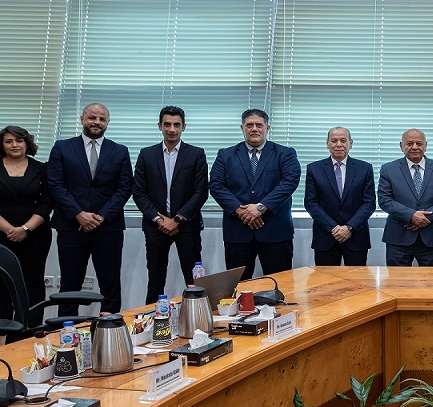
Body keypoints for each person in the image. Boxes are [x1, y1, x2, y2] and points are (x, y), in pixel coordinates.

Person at [47, 103, 133, 315]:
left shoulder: (120, 151)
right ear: (82, 119)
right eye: (92, 117)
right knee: (70, 284)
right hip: (71, 227)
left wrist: (101, 216)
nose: (97, 122)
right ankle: (67, 329)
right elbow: (56, 184)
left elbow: (124, 188)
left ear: (108, 123)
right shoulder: (62, 147)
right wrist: (78, 214)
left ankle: (109, 329)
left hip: (108, 228)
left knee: (110, 284)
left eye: (102, 119)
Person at [0, 126, 54, 327]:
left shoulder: (42, 169)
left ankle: (30, 333)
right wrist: (10, 230)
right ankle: (4, 334)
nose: (14, 145)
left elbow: (47, 203)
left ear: (27, 143)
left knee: (33, 283)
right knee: (1, 285)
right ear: (1, 145)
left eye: (19, 140)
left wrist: (25, 229)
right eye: (8, 141)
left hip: (35, 236)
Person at [209, 109, 301, 280]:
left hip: (275, 231)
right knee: (238, 286)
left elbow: (289, 183)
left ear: (267, 128)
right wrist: (240, 211)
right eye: (249, 125)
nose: (254, 129)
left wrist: (261, 207)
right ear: (242, 128)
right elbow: (216, 185)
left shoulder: (285, 154)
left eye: (259, 125)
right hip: (238, 231)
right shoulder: (226, 155)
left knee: (280, 284)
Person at [132, 106, 209, 304]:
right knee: (155, 281)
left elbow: (201, 192)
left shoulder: (196, 154)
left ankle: (197, 317)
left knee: (194, 281)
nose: (172, 129)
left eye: (176, 125)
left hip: (187, 226)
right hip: (155, 226)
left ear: (184, 127)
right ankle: (151, 318)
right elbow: (138, 192)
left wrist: (177, 219)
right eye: (167, 124)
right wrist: (159, 219)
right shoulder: (146, 154)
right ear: (160, 126)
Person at [377, 128, 433, 266]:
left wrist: (424, 218)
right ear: (401, 146)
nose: (414, 147)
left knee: (432, 278)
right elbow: (384, 200)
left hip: (431, 237)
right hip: (398, 237)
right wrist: (411, 216)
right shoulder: (388, 169)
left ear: (426, 145)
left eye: (419, 143)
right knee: (396, 279)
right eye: (409, 143)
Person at [304, 127, 375, 266]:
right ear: (327, 144)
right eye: (334, 140)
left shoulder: (365, 168)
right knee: (325, 278)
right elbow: (311, 203)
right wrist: (333, 228)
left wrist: (349, 228)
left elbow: (369, 203)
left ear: (350, 143)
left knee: (356, 279)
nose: (338, 144)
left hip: (356, 236)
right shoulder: (314, 169)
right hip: (325, 236)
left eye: (343, 140)